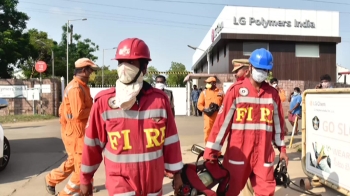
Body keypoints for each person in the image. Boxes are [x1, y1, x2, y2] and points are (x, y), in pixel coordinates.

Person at [79, 38, 183, 196]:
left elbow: (171, 141)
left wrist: (177, 174)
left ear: (144, 68)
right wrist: (85, 179)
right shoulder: (104, 102)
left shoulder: (160, 101)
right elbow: (92, 145)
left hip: (153, 184)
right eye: (121, 62)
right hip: (120, 183)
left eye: (131, 62)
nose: (124, 67)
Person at [203, 48, 289, 196]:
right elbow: (222, 125)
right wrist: (211, 152)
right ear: (250, 68)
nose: (261, 72)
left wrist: (282, 150)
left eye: (265, 70)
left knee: (266, 192)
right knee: (228, 191)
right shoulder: (235, 91)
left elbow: (279, 126)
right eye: (258, 68)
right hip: (238, 155)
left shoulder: (272, 95)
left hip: (263, 155)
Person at [45, 58, 98, 196]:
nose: (92, 73)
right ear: (84, 71)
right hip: (76, 134)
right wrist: (95, 108)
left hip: (76, 132)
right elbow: (79, 113)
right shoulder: (75, 88)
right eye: (91, 70)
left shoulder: (82, 86)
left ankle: (51, 179)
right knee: (81, 170)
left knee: (73, 162)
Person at [197, 76, 224, 144]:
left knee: (218, 134)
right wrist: (205, 110)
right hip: (208, 118)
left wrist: (219, 107)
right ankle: (208, 151)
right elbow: (199, 105)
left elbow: (225, 104)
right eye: (207, 83)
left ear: (214, 83)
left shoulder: (220, 92)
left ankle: (217, 153)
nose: (207, 84)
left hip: (218, 117)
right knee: (208, 133)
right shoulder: (204, 93)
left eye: (209, 83)